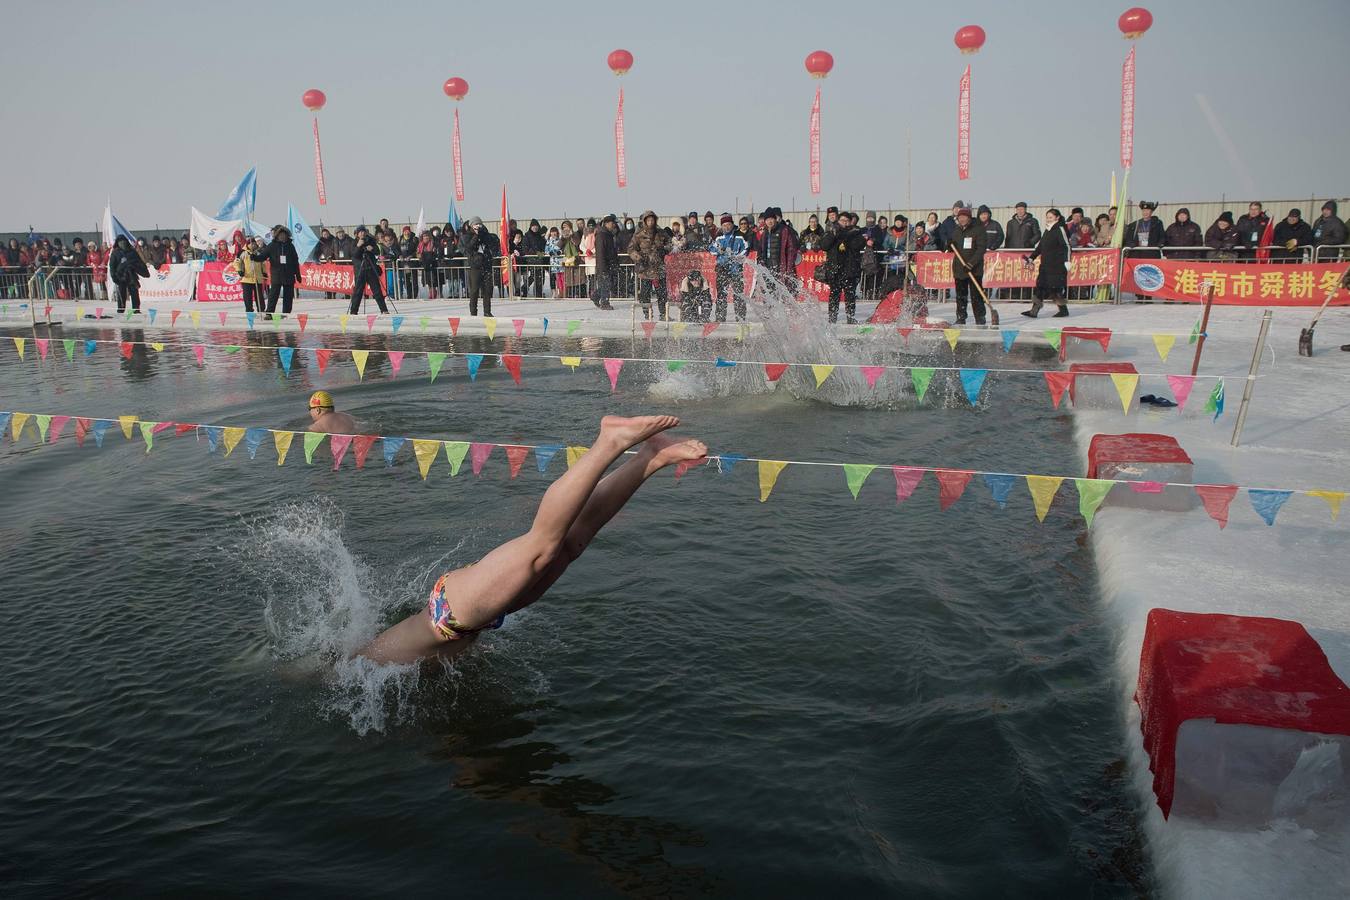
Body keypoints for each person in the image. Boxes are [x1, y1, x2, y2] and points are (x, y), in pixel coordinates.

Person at [356, 415, 706, 665]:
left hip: (449, 615)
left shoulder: (355, 665)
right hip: (467, 620)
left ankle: (610, 441)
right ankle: (651, 456)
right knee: (567, 547)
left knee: (542, 545)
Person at [1021, 208, 1071, 318]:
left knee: (1055, 288)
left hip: (1056, 265)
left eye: (1051, 217)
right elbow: (1040, 246)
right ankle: (1034, 311)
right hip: (1045, 265)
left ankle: (1063, 310)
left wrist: (1067, 261)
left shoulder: (1060, 229)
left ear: (1057, 218)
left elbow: (1066, 246)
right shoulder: (1048, 229)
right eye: (1047, 217)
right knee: (1040, 287)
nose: (1048, 219)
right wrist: (1031, 258)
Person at [819, 211, 865, 324]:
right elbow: (824, 245)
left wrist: (848, 235)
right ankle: (832, 318)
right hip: (835, 269)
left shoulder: (855, 232)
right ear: (838, 221)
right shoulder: (832, 231)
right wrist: (834, 235)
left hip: (850, 269)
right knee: (834, 295)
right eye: (842, 220)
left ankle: (850, 317)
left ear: (851, 222)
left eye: (847, 221)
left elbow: (858, 245)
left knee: (850, 295)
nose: (844, 223)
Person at [253, 224, 305, 315]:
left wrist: (298, 274)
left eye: (284, 235)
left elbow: (295, 261)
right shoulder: (272, 246)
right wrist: (254, 257)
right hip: (277, 275)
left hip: (289, 275)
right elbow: (262, 256)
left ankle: (286, 313)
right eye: (281, 235)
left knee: (288, 296)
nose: (283, 237)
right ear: (277, 236)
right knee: (273, 295)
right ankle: (269, 313)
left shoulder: (290, 246)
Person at [629, 210, 671, 320]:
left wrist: (665, 249)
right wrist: (638, 258)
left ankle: (663, 314)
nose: (650, 222)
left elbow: (670, 243)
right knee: (645, 294)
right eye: (648, 220)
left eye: (652, 220)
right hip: (645, 268)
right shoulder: (639, 235)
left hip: (659, 268)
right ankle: (647, 314)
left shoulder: (661, 233)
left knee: (662, 293)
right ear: (645, 221)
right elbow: (631, 249)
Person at [948, 207, 987, 325]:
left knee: (976, 295)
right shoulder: (956, 231)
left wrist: (971, 263)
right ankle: (961, 317)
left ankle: (980, 317)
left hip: (974, 269)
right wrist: (949, 245)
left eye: (964, 217)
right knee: (961, 296)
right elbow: (953, 249)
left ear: (969, 218)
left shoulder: (978, 229)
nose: (962, 219)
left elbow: (981, 249)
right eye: (960, 217)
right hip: (959, 269)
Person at [709, 214, 749, 322]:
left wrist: (738, 257)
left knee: (739, 295)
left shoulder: (739, 236)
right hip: (722, 269)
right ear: (721, 226)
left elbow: (746, 249)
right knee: (721, 295)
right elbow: (711, 249)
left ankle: (741, 319)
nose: (726, 227)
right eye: (724, 225)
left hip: (736, 270)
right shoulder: (719, 237)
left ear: (732, 225)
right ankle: (720, 318)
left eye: (728, 225)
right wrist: (719, 250)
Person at [752, 207, 800, 287]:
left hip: (781, 268)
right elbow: (760, 250)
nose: (769, 221)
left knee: (782, 290)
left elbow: (791, 250)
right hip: (768, 268)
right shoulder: (765, 233)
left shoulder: (784, 230)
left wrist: (789, 269)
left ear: (775, 219)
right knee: (769, 290)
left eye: (771, 219)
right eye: (767, 220)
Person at [345, 226, 389, 315]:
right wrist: (358, 246)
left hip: (370, 269)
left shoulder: (370, 240)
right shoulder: (354, 242)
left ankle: (384, 310)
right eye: (360, 232)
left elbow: (377, 251)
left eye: (363, 232)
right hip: (360, 270)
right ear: (357, 234)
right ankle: (353, 311)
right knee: (357, 292)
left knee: (377, 291)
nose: (362, 233)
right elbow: (353, 255)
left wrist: (372, 249)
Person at [461, 216, 499, 316]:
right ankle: (473, 312)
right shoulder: (467, 235)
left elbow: (492, 243)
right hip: (475, 266)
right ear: (471, 225)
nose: (478, 226)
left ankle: (487, 311)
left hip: (486, 265)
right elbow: (469, 248)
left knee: (487, 290)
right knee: (474, 291)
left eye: (480, 224)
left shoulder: (485, 233)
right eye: (476, 224)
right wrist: (476, 236)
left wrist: (483, 234)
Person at [1005, 202, 1041, 301]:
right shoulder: (1011, 223)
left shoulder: (1032, 221)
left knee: (1026, 272)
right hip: (1013, 252)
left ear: (1025, 210)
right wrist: (1006, 250)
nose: (1020, 211)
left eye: (1022, 209)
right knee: (1015, 273)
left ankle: (1026, 294)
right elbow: (1008, 237)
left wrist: (1030, 243)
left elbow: (1037, 234)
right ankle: (1014, 294)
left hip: (1027, 252)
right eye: (1018, 209)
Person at [109, 234, 148, 313]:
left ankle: (136, 309)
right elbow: (112, 266)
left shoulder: (132, 252)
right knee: (121, 293)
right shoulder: (115, 253)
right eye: (120, 241)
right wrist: (114, 277)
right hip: (121, 276)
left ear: (126, 241)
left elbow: (139, 262)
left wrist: (143, 270)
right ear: (117, 243)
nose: (122, 243)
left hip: (131, 275)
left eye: (124, 241)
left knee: (134, 293)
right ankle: (121, 309)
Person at [591, 214, 619, 310]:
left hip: (609, 263)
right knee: (606, 284)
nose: (614, 225)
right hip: (603, 265)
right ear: (606, 223)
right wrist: (602, 267)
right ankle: (605, 303)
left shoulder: (608, 234)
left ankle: (595, 296)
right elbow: (600, 253)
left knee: (607, 283)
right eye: (612, 223)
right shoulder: (601, 235)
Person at [235, 237, 268, 313]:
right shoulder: (242, 252)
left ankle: (261, 310)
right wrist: (239, 270)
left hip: (257, 278)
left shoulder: (258, 253)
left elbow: (263, 263)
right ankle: (249, 310)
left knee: (259, 296)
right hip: (247, 278)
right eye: (251, 244)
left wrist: (264, 272)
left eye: (254, 243)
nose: (253, 245)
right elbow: (237, 262)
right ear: (248, 244)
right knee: (247, 297)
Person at [522, 219, 548, 298]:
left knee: (541, 277)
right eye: (533, 226)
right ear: (530, 227)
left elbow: (544, 246)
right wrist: (536, 253)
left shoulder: (540, 236)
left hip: (540, 259)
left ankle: (538, 294)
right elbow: (526, 248)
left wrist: (543, 252)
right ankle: (525, 288)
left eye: (536, 226)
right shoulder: (527, 236)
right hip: (532, 259)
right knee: (534, 276)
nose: (535, 228)